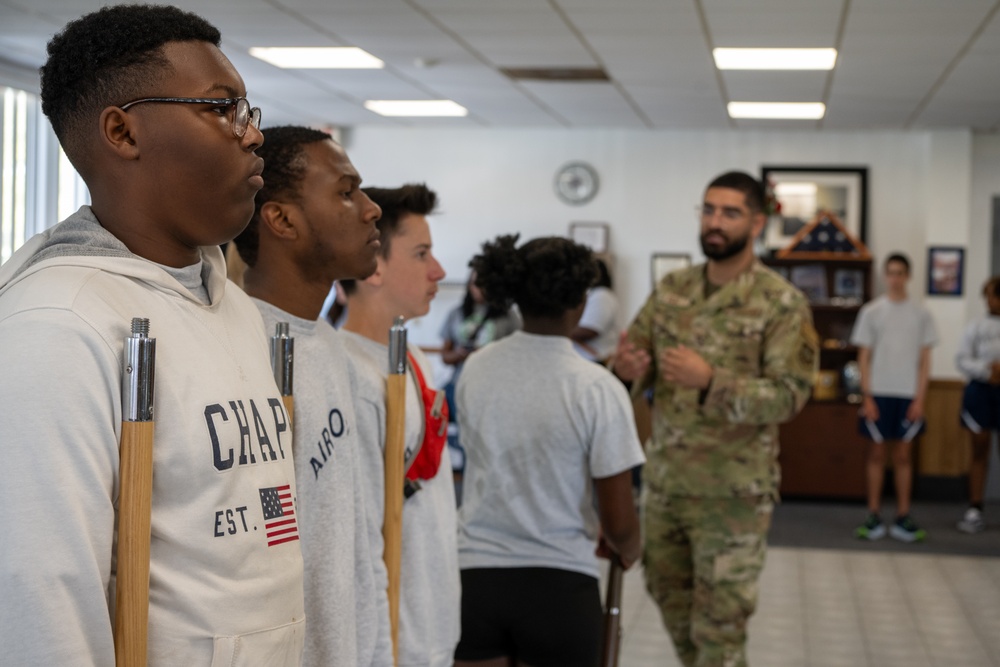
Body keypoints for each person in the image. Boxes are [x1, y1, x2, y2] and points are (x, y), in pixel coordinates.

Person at [0, 6, 305, 665]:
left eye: (247, 110)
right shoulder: (58, 323)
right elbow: (39, 598)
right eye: (223, 108)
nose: (253, 136)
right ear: (123, 131)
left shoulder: (233, 305)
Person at [613, 171, 818, 667]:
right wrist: (625, 370)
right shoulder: (672, 290)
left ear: (757, 222)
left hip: (733, 496)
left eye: (730, 213)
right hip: (666, 488)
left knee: (721, 626)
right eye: (708, 210)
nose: (715, 222)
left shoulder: (780, 302)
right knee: (669, 600)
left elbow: (790, 397)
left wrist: (713, 381)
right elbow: (630, 360)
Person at [234, 126, 391, 665]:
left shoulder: (332, 347)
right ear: (281, 220)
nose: (371, 210)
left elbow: (359, 533)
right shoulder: (241, 348)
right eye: (347, 192)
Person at [453, 234, 644, 667]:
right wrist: (630, 546)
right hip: (559, 584)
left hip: (475, 577)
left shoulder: (476, 368)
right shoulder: (596, 387)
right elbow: (618, 519)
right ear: (581, 302)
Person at [340, 184, 460, 667]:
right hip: (393, 635)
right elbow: (361, 532)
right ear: (374, 264)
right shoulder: (349, 374)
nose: (439, 271)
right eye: (421, 253)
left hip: (432, 615)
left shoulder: (411, 357)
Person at [852, 253, 937, 542]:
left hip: (907, 395)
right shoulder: (872, 312)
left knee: (903, 456)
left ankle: (902, 516)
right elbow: (863, 358)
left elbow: (925, 361)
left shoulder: (921, 314)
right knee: (875, 454)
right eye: (891, 273)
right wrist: (867, 396)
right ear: (884, 276)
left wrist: (920, 398)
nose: (895, 278)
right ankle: (873, 515)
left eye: (900, 273)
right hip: (878, 393)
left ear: (908, 276)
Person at [439, 269, 520, 416]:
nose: (478, 289)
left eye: (484, 284)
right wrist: (459, 354)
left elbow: (519, 354)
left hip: (496, 388)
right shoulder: (456, 313)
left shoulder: (508, 315)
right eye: (474, 284)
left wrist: (489, 354)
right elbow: (445, 356)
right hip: (461, 384)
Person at [955, 275, 1000, 533]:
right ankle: (975, 508)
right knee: (979, 447)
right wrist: (986, 370)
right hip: (980, 391)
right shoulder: (976, 326)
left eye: (994, 295)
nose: (990, 301)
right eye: (988, 295)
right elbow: (961, 359)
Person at [571, 257, 621, 364]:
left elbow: (590, 330)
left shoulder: (602, 295)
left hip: (595, 360)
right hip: (584, 360)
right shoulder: (590, 294)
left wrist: (557, 330)